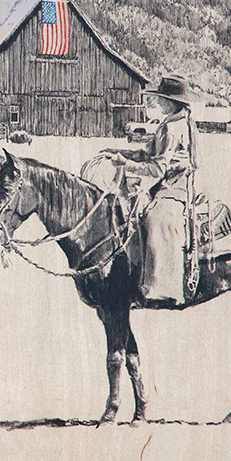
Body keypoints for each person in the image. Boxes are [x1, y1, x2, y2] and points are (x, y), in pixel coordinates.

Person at [92, 74, 200, 306]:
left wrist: (125, 163)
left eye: (161, 99)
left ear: (171, 102)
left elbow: (157, 168)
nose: (158, 103)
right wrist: (117, 152)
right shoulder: (172, 123)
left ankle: (162, 287)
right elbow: (147, 154)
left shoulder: (173, 127)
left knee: (154, 218)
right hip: (166, 183)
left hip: (174, 186)